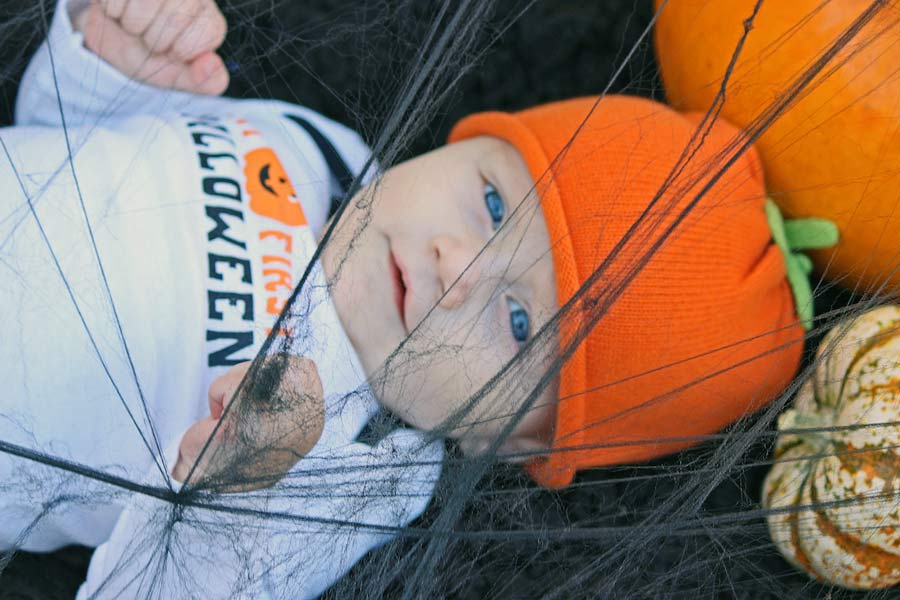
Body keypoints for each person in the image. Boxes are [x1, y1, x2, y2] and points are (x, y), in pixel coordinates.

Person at [0, 0, 831, 597]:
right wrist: (109, 53)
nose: (456, 265)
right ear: (464, 141)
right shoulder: (313, 146)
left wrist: (231, 493)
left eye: (517, 323)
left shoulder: (358, 475)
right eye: (494, 205)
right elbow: (64, 133)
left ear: (510, 444)